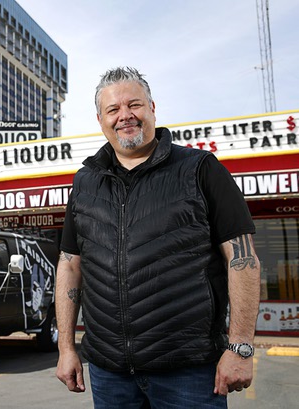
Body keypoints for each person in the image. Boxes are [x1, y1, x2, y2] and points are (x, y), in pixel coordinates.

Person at [55, 66, 261, 408]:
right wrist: (66, 348)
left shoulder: (200, 169)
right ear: (100, 119)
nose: (125, 116)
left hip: (188, 372)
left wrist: (239, 347)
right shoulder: (85, 183)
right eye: (113, 109)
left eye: (134, 105)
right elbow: (70, 265)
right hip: (109, 374)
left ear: (152, 107)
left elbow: (243, 260)